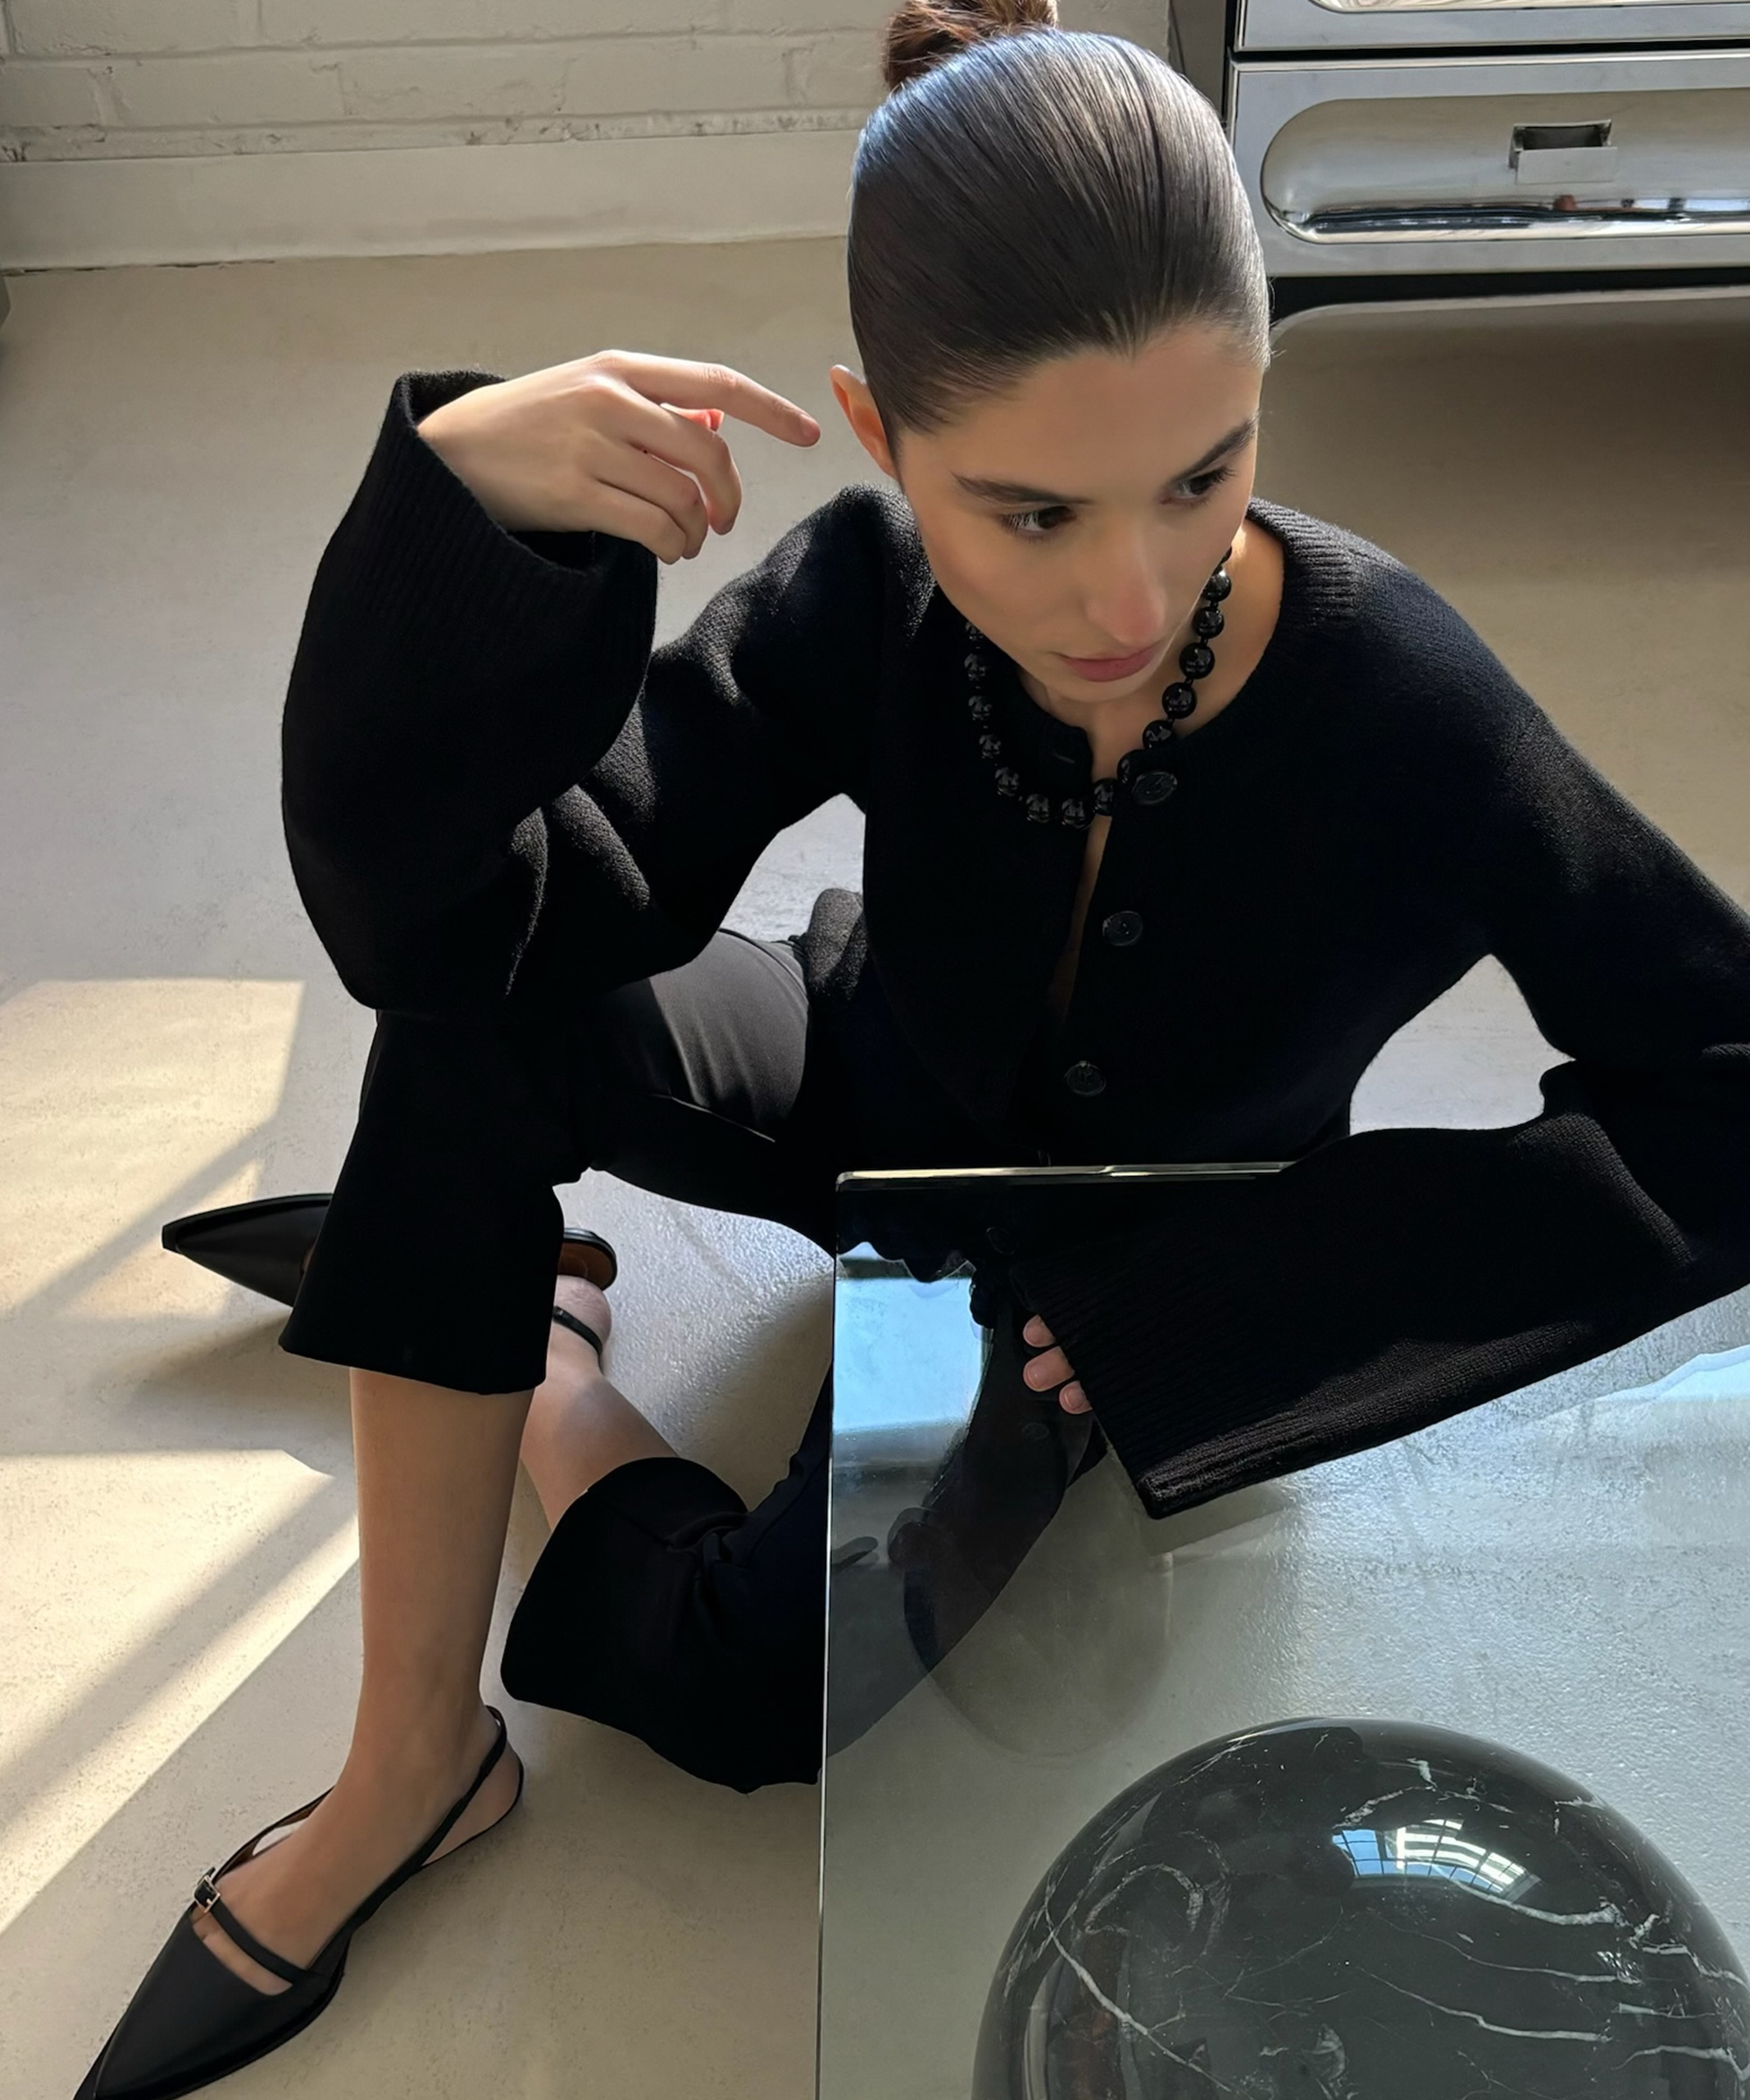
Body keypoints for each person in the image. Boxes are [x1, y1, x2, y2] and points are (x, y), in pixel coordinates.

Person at [78, 1, 1750, 2094]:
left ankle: (545, 1351)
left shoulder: (1404, 700)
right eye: (1028, 514)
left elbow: (1722, 1092)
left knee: (732, 1695)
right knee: (459, 1029)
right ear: (880, 435)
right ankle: (412, 1759)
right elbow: (467, 914)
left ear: (1261, 397)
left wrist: (1254, 1293)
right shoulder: (868, 586)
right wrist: (457, 540)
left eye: (1203, 475)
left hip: (1086, 1294)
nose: (1126, 594)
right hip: (861, 1068)